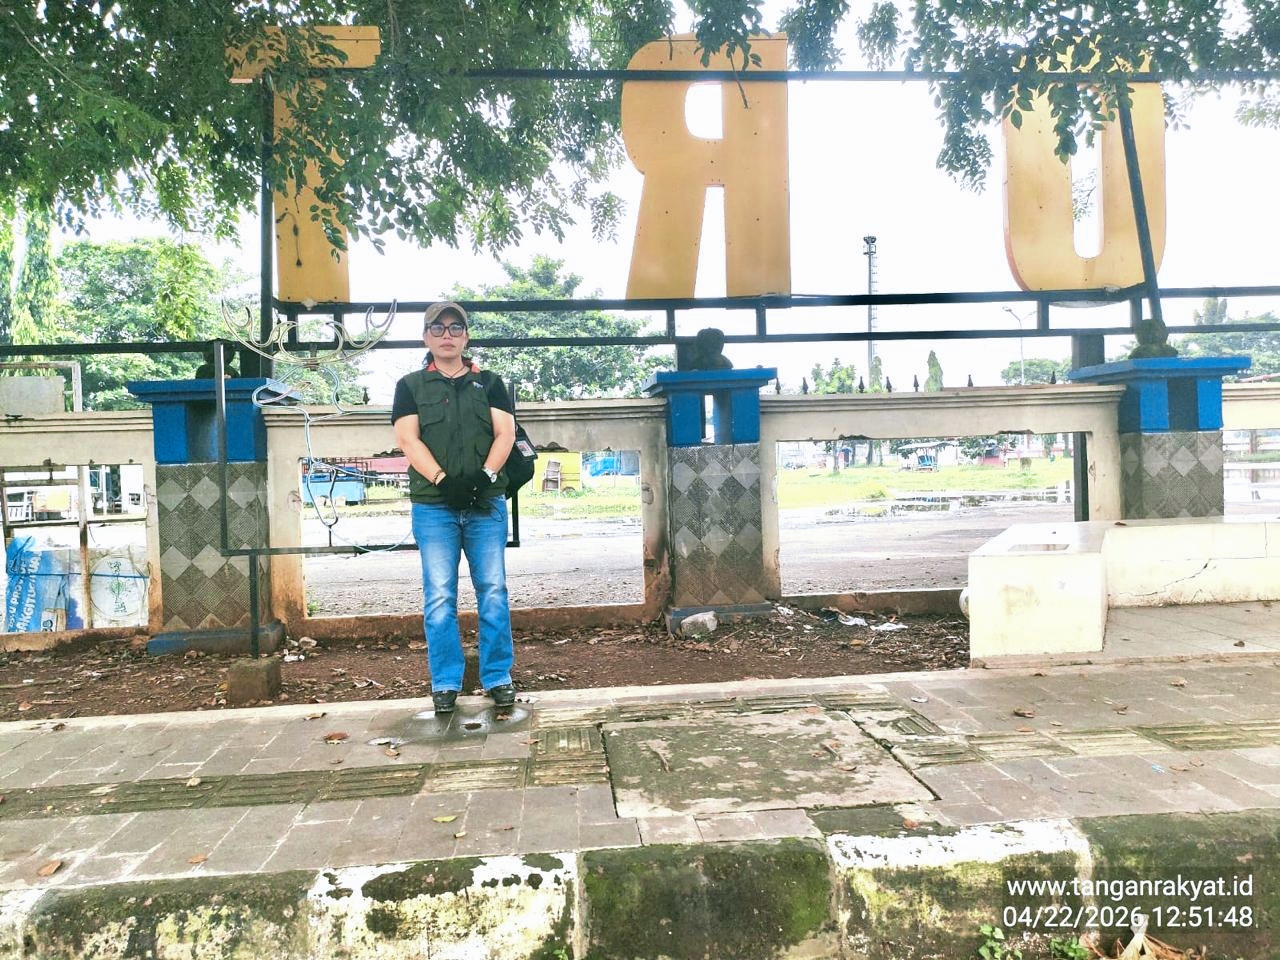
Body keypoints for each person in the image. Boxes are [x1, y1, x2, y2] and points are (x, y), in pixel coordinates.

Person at [391, 302, 517, 714]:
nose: (447, 335)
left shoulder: (491, 383)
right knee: (440, 595)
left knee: (493, 591)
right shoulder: (410, 386)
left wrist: (482, 478)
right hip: (434, 507)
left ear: (466, 336)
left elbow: (505, 434)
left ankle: (497, 676)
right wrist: (444, 481)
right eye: (438, 328)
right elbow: (408, 440)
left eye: (455, 327)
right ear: (425, 337)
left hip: (486, 503)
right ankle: (445, 681)